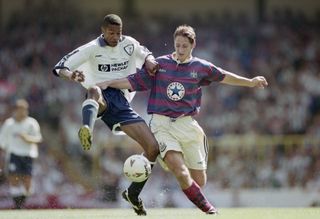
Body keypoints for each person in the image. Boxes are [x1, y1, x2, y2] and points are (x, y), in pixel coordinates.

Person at [97, 24, 268, 214]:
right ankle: (209, 209)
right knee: (180, 171)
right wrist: (108, 83)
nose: (179, 50)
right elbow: (133, 81)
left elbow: (224, 76)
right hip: (161, 125)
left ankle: (138, 190)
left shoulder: (200, 67)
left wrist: (250, 82)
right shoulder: (159, 64)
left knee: (199, 181)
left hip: (187, 126)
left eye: (184, 46)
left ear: (192, 46)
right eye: (177, 45)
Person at [52, 14, 159, 215]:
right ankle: (87, 128)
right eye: (111, 33)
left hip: (122, 105)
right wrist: (72, 75)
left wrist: (151, 62)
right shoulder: (92, 48)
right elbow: (60, 67)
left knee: (153, 148)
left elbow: (146, 54)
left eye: (119, 32)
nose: (116, 37)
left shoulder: (128, 44)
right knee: (93, 90)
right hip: (102, 97)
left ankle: (133, 194)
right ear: (102, 31)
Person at [0, 99, 42, 209]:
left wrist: (28, 139)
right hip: (14, 154)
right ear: (15, 110)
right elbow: (2, 141)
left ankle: (21, 203)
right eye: (21, 109)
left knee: (27, 183)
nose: (23, 112)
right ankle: (18, 206)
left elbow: (38, 139)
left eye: (25, 110)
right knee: (14, 179)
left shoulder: (31, 123)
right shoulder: (9, 124)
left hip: (28, 154)